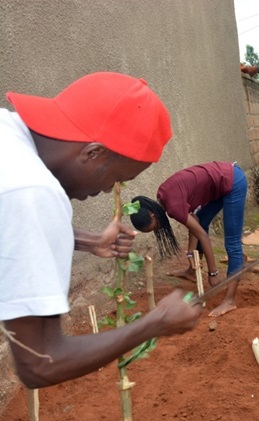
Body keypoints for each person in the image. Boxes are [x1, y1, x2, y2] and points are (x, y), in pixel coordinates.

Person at [0, 72, 203, 389]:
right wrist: (154, 323)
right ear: (93, 153)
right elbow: (39, 363)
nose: (109, 190)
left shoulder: (8, 136)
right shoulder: (33, 191)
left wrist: (88, 240)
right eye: (115, 178)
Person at [130, 161, 247, 318]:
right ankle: (192, 271)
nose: (157, 230)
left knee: (232, 244)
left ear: (152, 215)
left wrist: (213, 273)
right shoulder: (162, 197)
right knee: (202, 221)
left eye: (153, 227)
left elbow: (202, 235)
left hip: (233, 181)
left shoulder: (173, 208)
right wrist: (191, 253)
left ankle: (230, 300)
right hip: (222, 181)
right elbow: (195, 222)